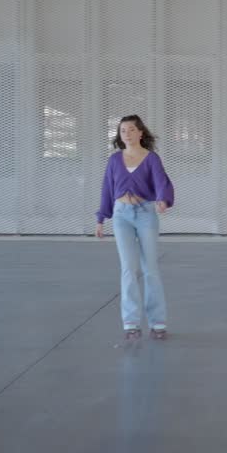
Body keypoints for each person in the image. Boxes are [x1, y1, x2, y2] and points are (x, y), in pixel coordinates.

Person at [96, 115, 175, 339]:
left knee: (150, 268)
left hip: (145, 214)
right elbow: (107, 190)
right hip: (121, 216)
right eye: (123, 131)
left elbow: (161, 182)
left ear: (140, 133)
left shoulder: (151, 159)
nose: (127, 134)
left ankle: (157, 322)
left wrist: (162, 199)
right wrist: (101, 218)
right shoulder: (114, 161)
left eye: (131, 130)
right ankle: (131, 322)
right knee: (128, 269)